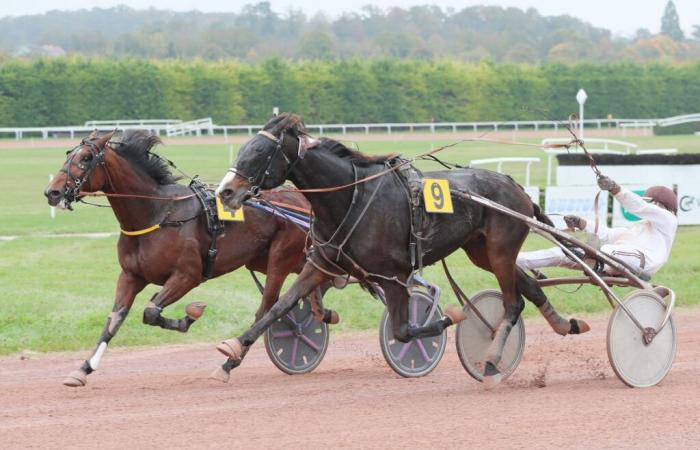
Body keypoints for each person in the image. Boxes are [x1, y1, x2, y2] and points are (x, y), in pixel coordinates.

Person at [517, 176, 678, 277]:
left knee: (606, 250)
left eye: (652, 203)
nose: (650, 206)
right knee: (563, 252)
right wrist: (581, 223)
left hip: (640, 262)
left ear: (661, 206)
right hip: (617, 258)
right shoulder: (638, 228)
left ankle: (595, 261)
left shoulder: (668, 220)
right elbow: (607, 234)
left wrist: (615, 188)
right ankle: (518, 261)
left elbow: (640, 206)